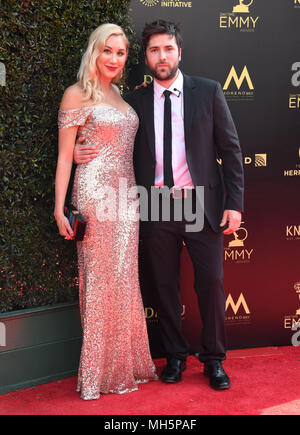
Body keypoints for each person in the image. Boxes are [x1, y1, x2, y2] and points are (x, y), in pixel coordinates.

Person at [74, 20, 244, 391]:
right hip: (154, 206)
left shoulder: (208, 92)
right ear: (146, 58)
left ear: (179, 53)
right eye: (154, 50)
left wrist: (235, 203)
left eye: (168, 49)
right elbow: (110, 141)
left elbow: (230, 151)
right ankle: (176, 357)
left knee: (211, 285)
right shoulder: (132, 101)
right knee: (164, 286)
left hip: (200, 204)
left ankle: (214, 360)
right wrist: (76, 149)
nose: (162, 56)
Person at [54, 23, 157, 401]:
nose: (114, 59)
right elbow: (66, 156)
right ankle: (98, 376)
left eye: (121, 52)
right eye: (107, 50)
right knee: (99, 285)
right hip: (95, 197)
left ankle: (127, 366)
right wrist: (59, 208)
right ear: (93, 52)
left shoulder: (120, 94)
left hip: (126, 201)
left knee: (125, 281)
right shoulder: (76, 94)